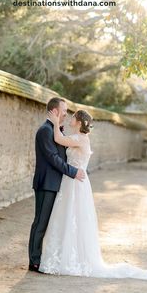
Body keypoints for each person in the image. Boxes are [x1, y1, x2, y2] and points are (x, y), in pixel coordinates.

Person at [38, 108, 147, 282]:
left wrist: (55, 122)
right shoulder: (79, 138)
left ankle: (70, 259)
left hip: (75, 181)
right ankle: (65, 255)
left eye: (73, 117)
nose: (71, 118)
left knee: (73, 217)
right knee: (68, 217)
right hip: (73, 181)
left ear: (80, 122)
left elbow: (58, 138)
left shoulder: (79, 139)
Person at [28, 97, 86, 272]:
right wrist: (73, 171)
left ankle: (45, 258)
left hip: (56, 185)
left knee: (51, 224)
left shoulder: (55, 131)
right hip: (47, 184)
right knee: (40, 223)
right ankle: (34, 261)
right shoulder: (45, 131)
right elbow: (53, 158)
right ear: (54, 111)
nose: (66, 114)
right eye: (64, 110)